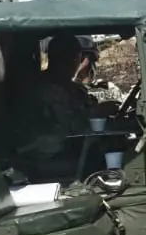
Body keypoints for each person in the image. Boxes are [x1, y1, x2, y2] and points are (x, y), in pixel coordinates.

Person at [14, 35, 98, 182]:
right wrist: (94, 113)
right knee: (97, 162)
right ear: (73, 59)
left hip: (60, 149)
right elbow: (70, 127)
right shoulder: (46, 89)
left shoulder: (68, 87)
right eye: (77, 58)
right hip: (44, 155)